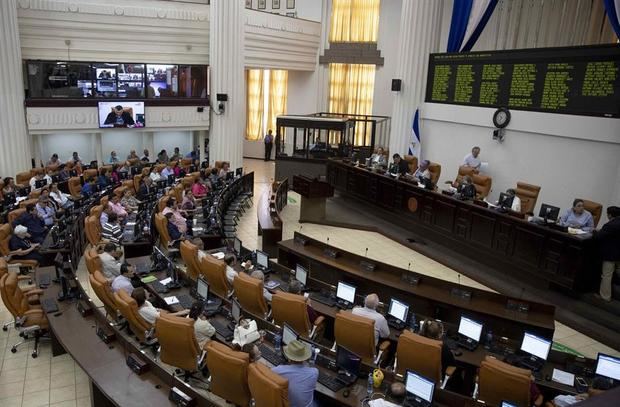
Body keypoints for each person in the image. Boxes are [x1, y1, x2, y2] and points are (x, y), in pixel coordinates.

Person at [272, 340, 318, 407]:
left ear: (288, 357)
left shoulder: (278, 370)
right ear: (304, 358)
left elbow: (271, 371)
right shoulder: (314, 372)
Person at [596, 206, 620, 301]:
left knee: (607, 275)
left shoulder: (610, 225)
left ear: (609, 215)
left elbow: (598, 237)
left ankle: (605, 297)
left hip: (611, 255)